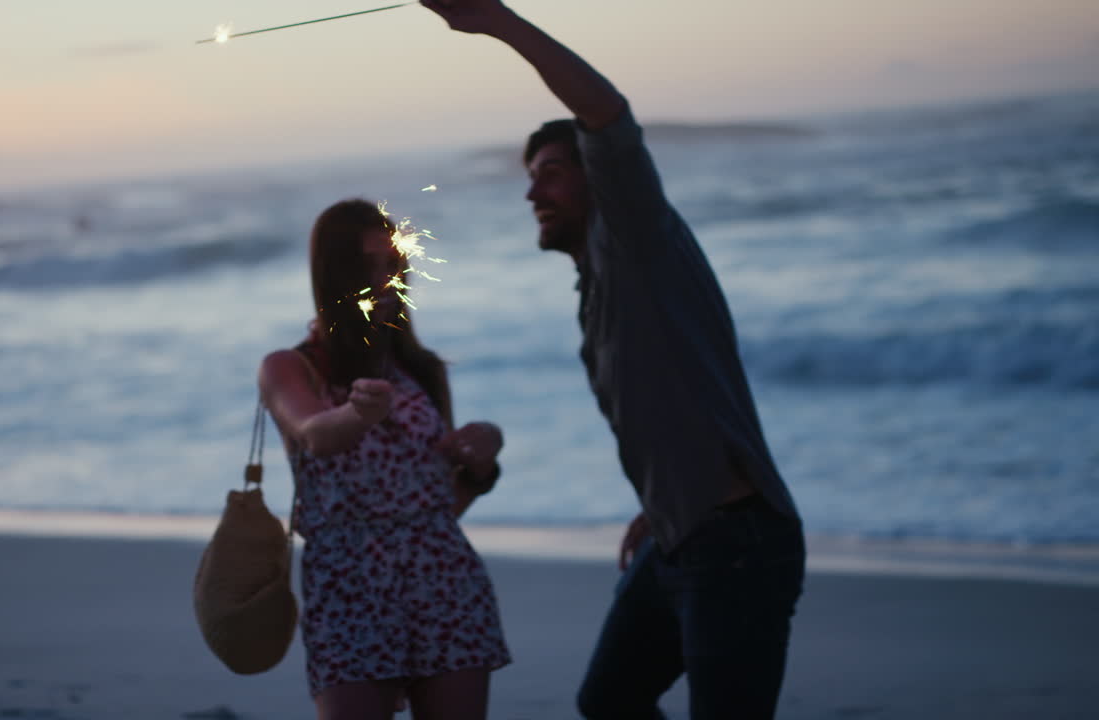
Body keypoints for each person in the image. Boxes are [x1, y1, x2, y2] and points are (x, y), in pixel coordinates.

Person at [420, 2, 806, 718]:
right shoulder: (604, 279)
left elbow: (607, 110)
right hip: (680, 533)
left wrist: (496, 20)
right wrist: (658, 504)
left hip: (737, 544)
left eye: (553, 172)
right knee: (611, 700)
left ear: (601, 179)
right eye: (531, 176)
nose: (534, 192)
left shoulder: (633, 235)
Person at [258, 199, 511, 720]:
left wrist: (483, 463)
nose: (388, 281)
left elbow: (444, 504)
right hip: (348, 587)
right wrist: (358, 414)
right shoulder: (291, 367)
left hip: (445, 578)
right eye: (369, 267)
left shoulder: (423, 370)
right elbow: (314, 434)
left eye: (395, 266)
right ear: (333, 277)